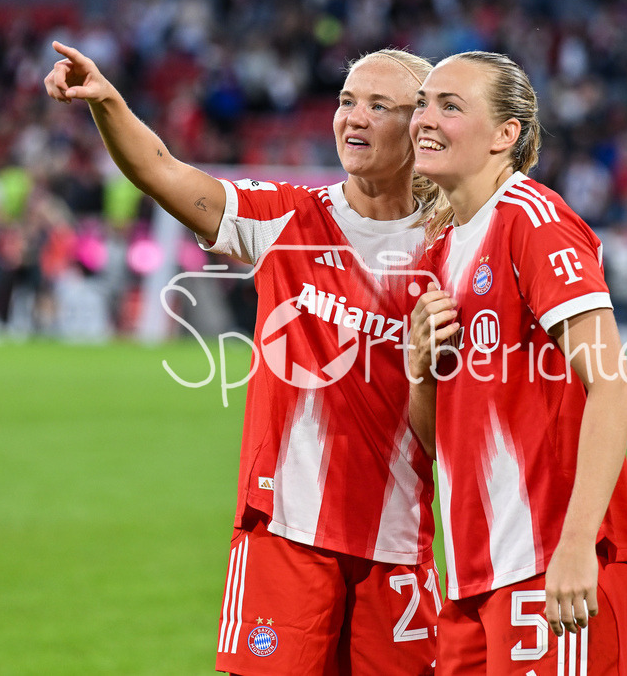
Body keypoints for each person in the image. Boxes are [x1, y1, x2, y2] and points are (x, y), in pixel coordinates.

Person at [45, 42, 442, 675]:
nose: (353, 117)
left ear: (420, 127)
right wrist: (109, 103)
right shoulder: (286, 215)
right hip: (283, 531)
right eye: (345, 102)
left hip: (397, 540)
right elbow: (162, 172)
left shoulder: (451, 249)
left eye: (377, 105)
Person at [406, 51, 627, 675]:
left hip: (549, 560)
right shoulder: (438, 249)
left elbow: (613, 387)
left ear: (505, 135)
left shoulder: (534, 222)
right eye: (424, 102)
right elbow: (440, 440)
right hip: (471, 571)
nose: (424, 119)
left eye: (450, 106)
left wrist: (574, 548)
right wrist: (419, 370)